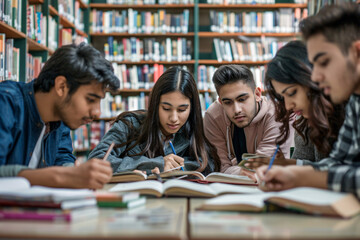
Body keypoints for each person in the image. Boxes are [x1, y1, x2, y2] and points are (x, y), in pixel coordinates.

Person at [256, 3, 360, 197]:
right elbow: (337, 162)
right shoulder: (356, 100)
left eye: (323, 62)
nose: (316, 77)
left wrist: (300, 176)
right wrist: (290, 172)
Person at [0, 43, 120, 189]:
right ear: (61, 87)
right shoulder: (6, 102)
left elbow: (63, 158)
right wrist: (63, 177)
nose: (97, 112)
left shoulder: (60, 118)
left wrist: (78, 175)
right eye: (90, 99)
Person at [89, 67, 220, 175]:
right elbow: (97, 160)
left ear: (192, 109)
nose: (174, 118)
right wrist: (158, 164)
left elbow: (208, 165)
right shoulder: (129, 124)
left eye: (182, 110)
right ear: (155, 104)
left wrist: (174, 167)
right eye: (166, 108)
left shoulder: (191, 130)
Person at [245, 40, 345, 169]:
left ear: (312, 80)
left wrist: (290, 166)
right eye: (282, 97)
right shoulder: (306, 120)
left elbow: (347, 174)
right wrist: (286, 166)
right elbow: (305, 162)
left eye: (292, 93)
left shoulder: (350, 112)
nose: (287, 106)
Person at [204, 64, 294, 175]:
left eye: (242, 99)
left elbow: (265, 168)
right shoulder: (213, 116)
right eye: (228, 102)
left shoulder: (278, 116)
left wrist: (235, 170)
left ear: (257, 94)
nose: (237, 110)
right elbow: (218, 168)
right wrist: (242, 171)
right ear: (221, 102)